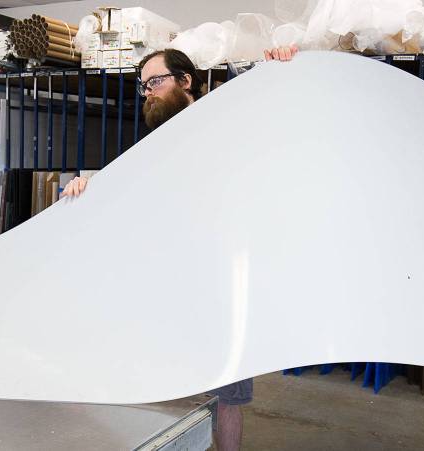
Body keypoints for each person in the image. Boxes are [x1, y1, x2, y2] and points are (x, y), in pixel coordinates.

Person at [60, 45, 298, 451]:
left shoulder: (229, 123)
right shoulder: (156, 149)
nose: (148, 92)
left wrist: (283, 68)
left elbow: (279, 123)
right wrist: (87, 189)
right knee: (169, 396)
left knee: (227, 400)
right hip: (173, 295)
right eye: (143, 86)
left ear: (186, 81)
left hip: (227, 293)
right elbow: (125, 195)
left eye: (156, 81)